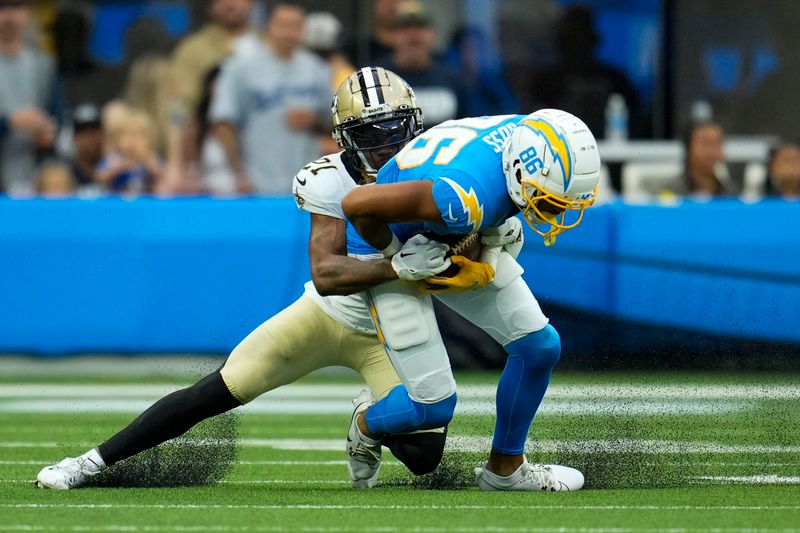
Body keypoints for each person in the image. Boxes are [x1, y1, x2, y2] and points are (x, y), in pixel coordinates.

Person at [36, 67, 449, 491]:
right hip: (331, 315)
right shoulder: (330, 177)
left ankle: (365, 422)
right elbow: (326, 274)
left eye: (394, 128)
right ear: (344, 136)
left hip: (392, 331)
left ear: (415, 123)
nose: (385, 144)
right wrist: (395, 267)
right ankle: (88, 463)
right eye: (370, 133)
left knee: (424, 455)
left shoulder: (439, 166)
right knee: (215, 392)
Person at [341, 109, 601, 491]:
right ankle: (366, 423)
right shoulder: (462, 195)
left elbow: (488, 194)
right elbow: (358, 204)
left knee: (539, 347)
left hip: (439, 232)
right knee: (434, 406)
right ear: (518, 171)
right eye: (549, 202)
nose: (554, 214)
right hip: (381, 240)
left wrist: (492, 240)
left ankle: (506, 470)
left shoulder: (530, 135)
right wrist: (395, 256)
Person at [210, 3, 332, 195]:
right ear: (269, 27)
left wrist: (313, 121)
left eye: (295, 27)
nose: (288, 33)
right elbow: (223, 122)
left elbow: (334, 122)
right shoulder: (241, 68)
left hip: (308, 183)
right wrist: (238, 173)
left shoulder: (317, 69)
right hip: (257, 181)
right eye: (282, 25)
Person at [529, 5, 638, 139]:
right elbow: (532, 127)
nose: (577, 45)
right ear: (560, 42)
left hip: (612, 154)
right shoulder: (545, 83)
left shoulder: (617, 80)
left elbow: (637, 125)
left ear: (593, 39)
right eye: (571, 38)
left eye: (581, 36)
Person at [0, 0, 60, 195]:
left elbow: (57, 115)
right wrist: (9, 122)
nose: (9, 16)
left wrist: (48, 132)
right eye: (2, 8)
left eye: (15, 7)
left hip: (34, 171)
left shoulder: (43, 64)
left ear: (26, 13)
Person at [383, 1, 466, 127]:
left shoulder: (450, 77)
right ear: (393, 35)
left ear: (432, 33)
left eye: (420, 27)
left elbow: (466, 123)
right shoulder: (379, 79)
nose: (413, 35)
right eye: (405, 27)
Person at [95, 107, 162, 195]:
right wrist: (119, 168)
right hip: (118, 204)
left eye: (140, 135)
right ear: (117, 138)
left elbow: (163, 176)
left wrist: (149, 164)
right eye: (128, 135)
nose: (133, 140)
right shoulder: (114, 159)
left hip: (145, 203)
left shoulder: (152, 158)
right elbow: (99, 178)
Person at [669, 121, 735, 197]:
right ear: (688, 149)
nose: (711, 151)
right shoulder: (672, 194)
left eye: (716, 143)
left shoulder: (730, 193)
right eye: (705, 143)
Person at [67, 103, 104, 188]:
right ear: (74, 138)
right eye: (83, 133)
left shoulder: (114, 165)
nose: (90, 138)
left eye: (94, 130)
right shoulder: (67, 173)